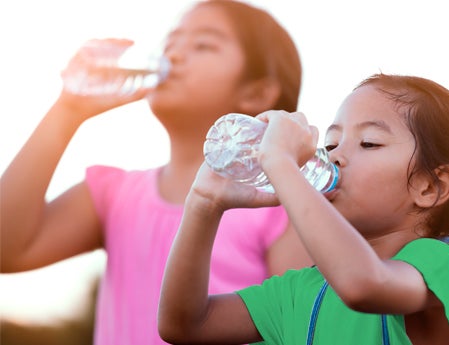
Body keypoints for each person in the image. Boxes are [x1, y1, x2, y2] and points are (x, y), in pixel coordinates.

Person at [0, 1, 312, 344]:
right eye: (171, 42)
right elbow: (8, 248)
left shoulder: (278, 204)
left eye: (203, 45)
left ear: (256, 92)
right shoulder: (113, 194)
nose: (173, 55)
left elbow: (300, 325)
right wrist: (67, 111)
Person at [157, 73, 449, 345]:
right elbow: (186, 325)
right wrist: (203, 204)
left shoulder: (433, 264)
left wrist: (279, 162)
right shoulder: (300, 289)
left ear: (430, 186)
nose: (334, 157)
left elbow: (362, 284)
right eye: (332, 142)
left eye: (369, 143)